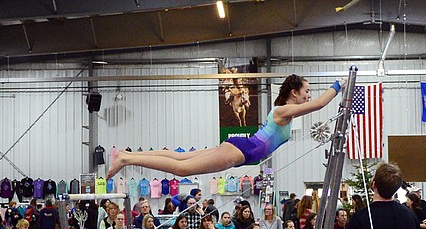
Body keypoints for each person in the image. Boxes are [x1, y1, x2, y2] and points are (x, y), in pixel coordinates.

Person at [108, 75, 343, 177]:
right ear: (294, 93)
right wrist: (339, 85)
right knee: (182, 169)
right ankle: (127, 159)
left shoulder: (283, 112)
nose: (309, 96)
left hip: (242, 149)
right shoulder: (283, 110)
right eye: (307, 92)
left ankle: (127, 154)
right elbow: (320, 105)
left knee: (180, 158)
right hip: (243, 150)